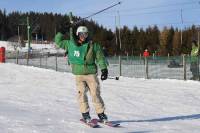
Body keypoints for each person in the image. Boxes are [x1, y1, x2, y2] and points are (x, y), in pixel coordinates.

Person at [55, 26, 109, 123]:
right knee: (81, 94)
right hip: (79, 75)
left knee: (95, 94)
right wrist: (61, 32)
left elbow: (100, 57)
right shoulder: (70, 44)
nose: (83, 36)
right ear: (77, 34)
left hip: (91, 74)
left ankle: (101, 114)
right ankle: (85, 114)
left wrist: (104, 69)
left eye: (85, 34)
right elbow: (58, 41)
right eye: (81, 34)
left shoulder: (93, 45)